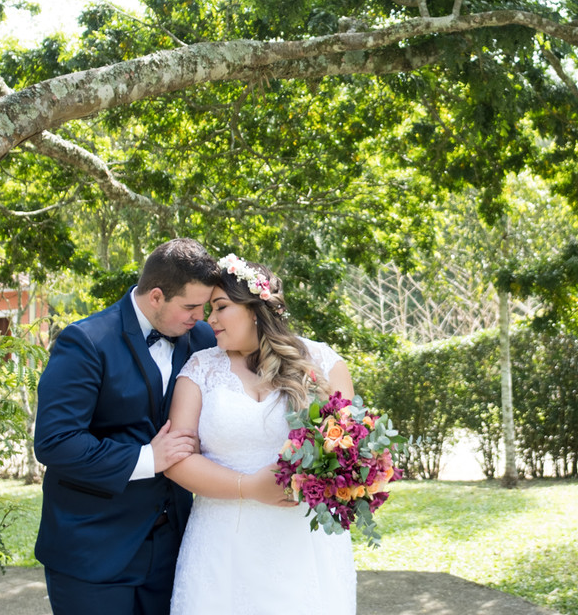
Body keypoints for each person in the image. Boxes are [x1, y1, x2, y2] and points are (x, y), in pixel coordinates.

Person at [33, 237, 221, 615]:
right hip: (92, 549)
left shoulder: (201, 338)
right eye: (190, 307)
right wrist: (148, 458)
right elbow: (55, 441)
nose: (200, 317)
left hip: (173, 548)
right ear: (156, 296)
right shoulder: (86, 341)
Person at [163, 254, 358, 615]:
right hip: (222, 544)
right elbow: (176, 460)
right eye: (209, 309)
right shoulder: (200, 369)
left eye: (221, 307)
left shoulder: (323, 362)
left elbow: (347, 447)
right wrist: (249, 487)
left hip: (303, 544)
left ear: (255, 308)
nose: (210, 319)